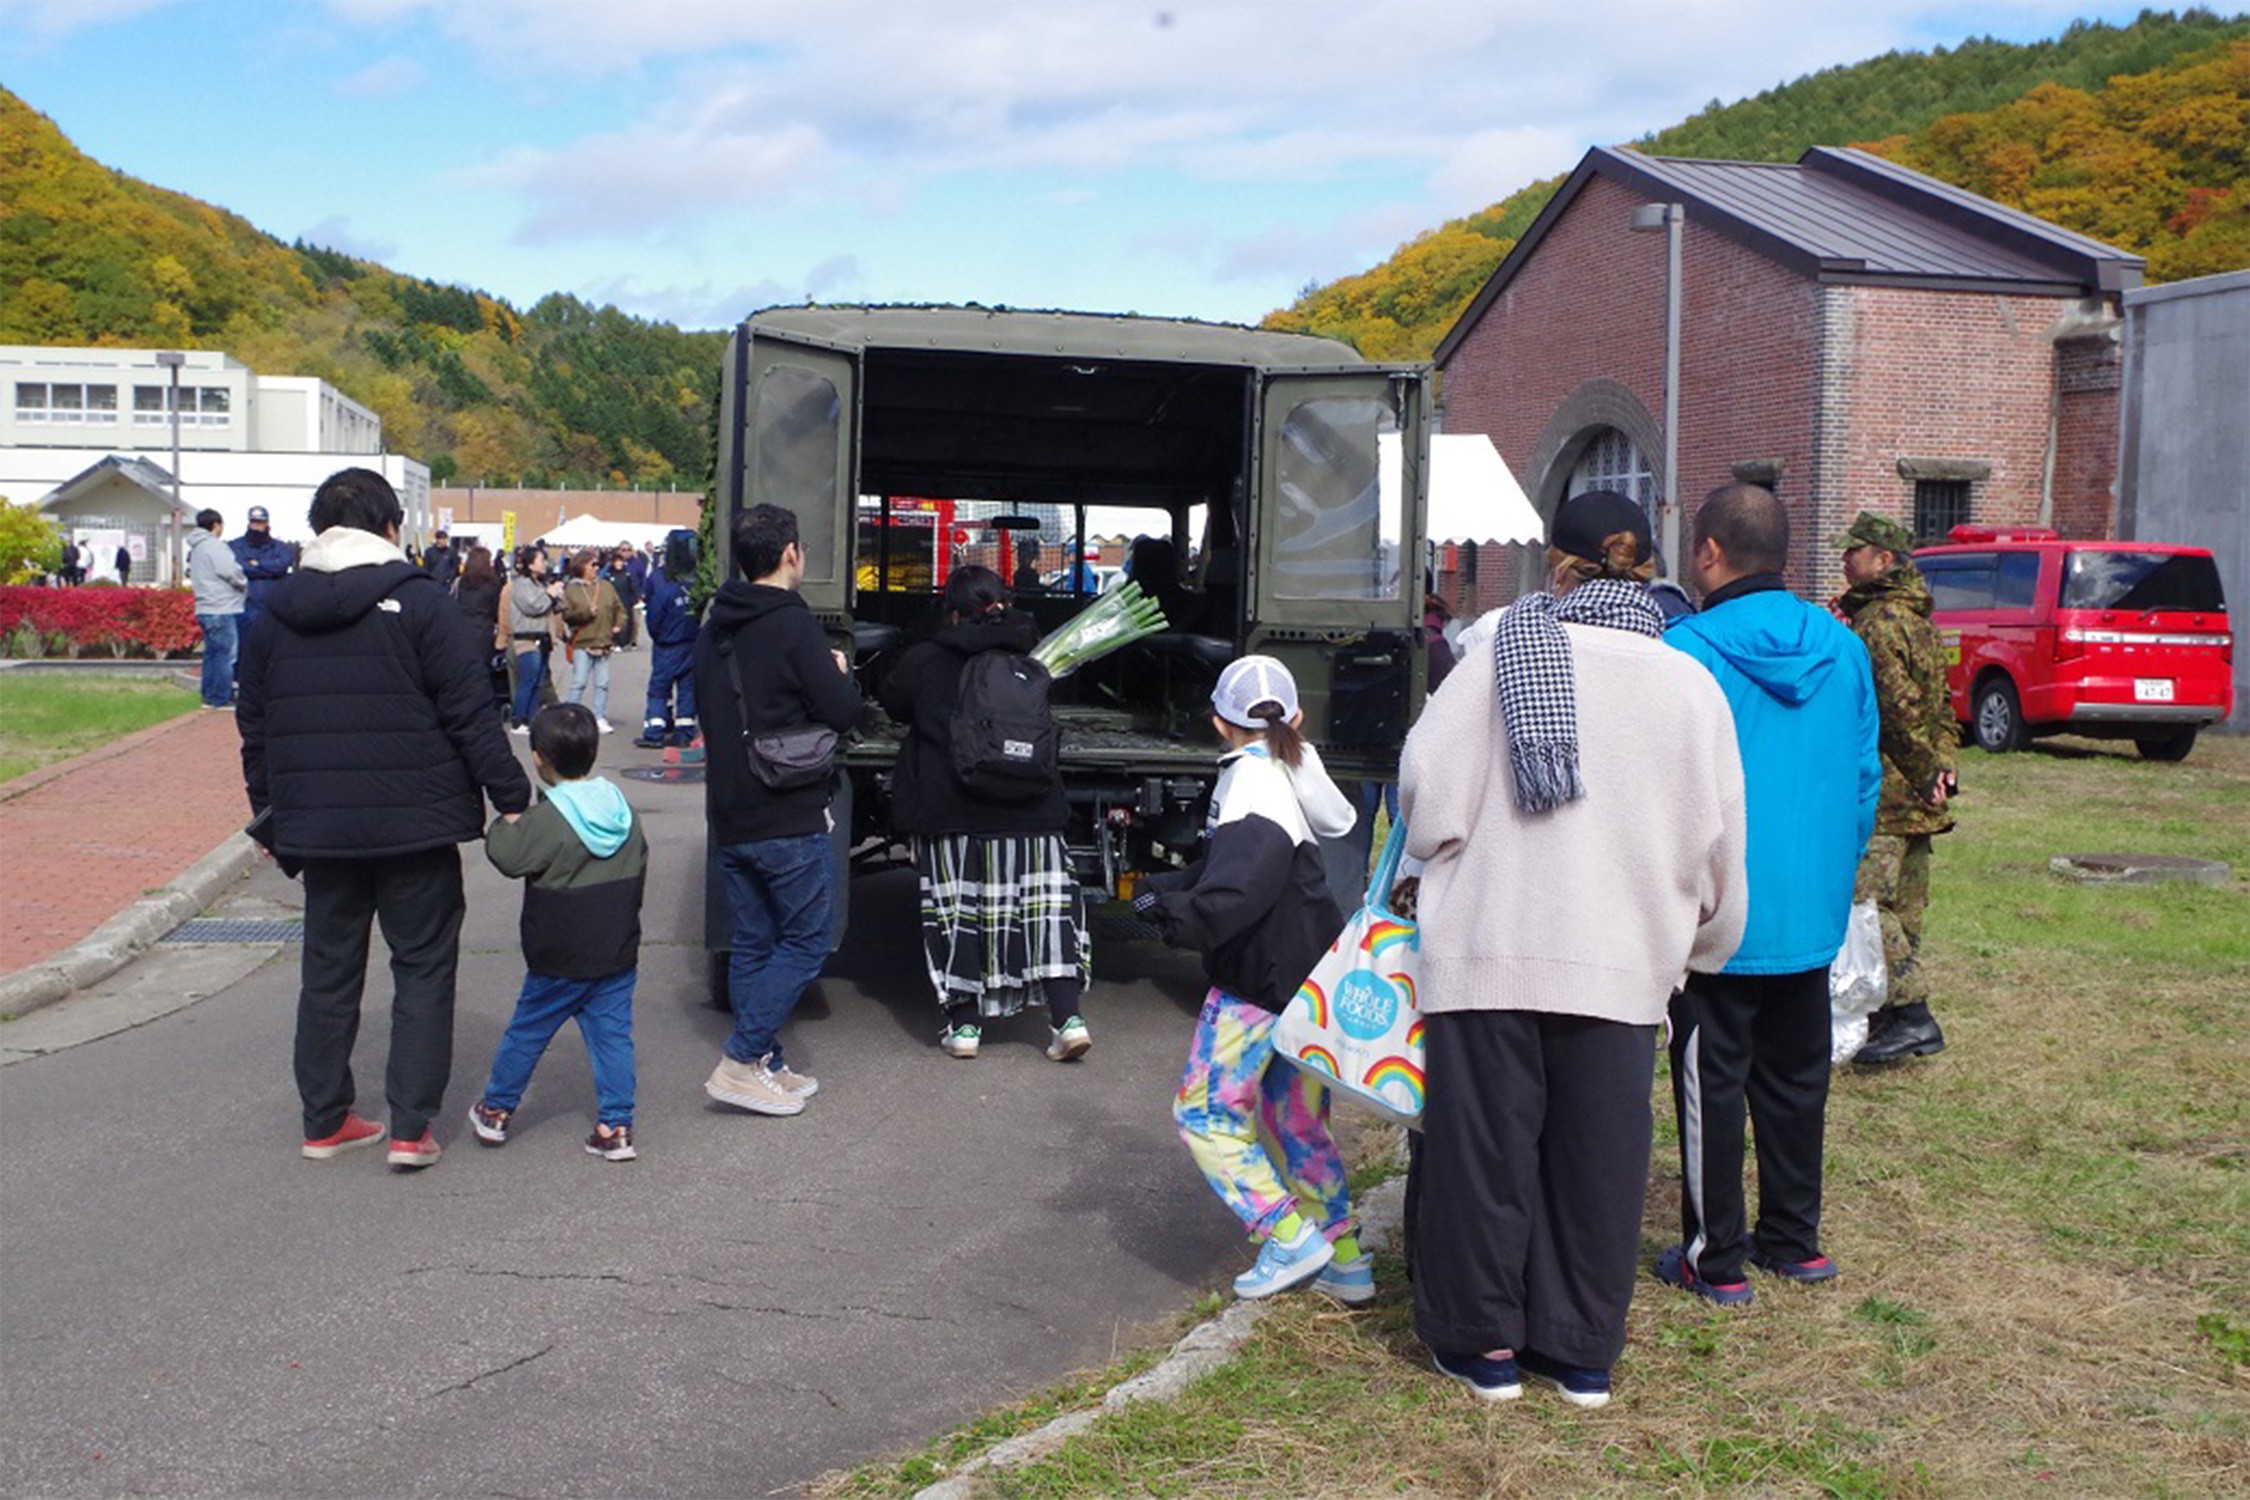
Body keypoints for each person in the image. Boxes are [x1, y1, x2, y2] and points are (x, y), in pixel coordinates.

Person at [1399, 489, 1746, 1408]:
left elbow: (1427, 801)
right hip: (1624, 959)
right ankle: (1580, 1352)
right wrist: (1699, 946)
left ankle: (1484, 1349)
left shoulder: (1497, 655)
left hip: (1491, 941)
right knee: (1597, 1163)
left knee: (1485, 1156)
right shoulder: (1690, 685)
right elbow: (1720, 851)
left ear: (1558, 563)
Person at [238, 467, 532, 1169]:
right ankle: (409, 1129)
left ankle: (324, 1119)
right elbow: (468, 710)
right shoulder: (421, 603)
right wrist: (513, 797)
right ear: (392, 528)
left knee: (329, 973)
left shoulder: (275, 612)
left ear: (317, 529)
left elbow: (255, 727)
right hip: (416, 825)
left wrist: (271, 818)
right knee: (423, 968)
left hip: (322, 831)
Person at [1654, 484, 1880, 1307]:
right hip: (1811, 909)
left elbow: (1666, 791)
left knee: (1710, 1081)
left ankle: (1716, 1259)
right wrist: (1832, 870)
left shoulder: (1685, 651)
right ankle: (1796, 1240)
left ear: (1710, 551)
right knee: (1796, 1079)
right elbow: (1864, 778)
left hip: (1721, 914)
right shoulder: (1844, 646)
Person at [1133, 655, 1368, 1302]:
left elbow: (1233, 891)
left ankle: (1288, 1237)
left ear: (1218, 723)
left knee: (1204, 1113)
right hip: (1307, 971)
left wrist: (1168, 914)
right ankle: (1345, 1259)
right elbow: (1328, 829)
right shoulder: (1292, 768)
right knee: (1295, 1117)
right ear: (1296, 717)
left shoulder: (1248, 786)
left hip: (1255, 982)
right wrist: (1168, 889)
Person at [878, 565, 1091, 1061]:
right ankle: (1068, 1020)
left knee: (959, 916)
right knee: (1045, 915)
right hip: (1031, 807)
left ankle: (966, 1028)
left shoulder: (927, 659)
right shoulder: (1036, 656)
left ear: (951, 611)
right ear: (1004, 604)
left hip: (952, 811)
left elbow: (893, 702)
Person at [694, 503, 866, 1117]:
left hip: (730, 808)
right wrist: (838, 672)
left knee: (754, 941)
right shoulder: (792, 626)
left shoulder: (714, 625)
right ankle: (740, 1060)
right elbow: (842, 713)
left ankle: (764, 1060)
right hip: (785, 810)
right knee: (807, 939)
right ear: (791, 553)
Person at [468, 703, 648, 1162]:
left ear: (539, 759)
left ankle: (496, 1111)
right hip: (615, 951)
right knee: (613, 1038)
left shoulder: (550, 819)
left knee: (527, 1032)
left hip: (559, 954)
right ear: (592, 751)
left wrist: (504, 822)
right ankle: (616, 1125)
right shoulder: (620, 808)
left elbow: (508, 857)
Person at [1834, 511, 1958, 1065]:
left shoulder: (1881, 622)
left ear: (1884, 560)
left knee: (1865, 902)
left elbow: (1898, 708)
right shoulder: (1920, 618)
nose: (1844, 561)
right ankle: (1888, 1016)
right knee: (1904, 910)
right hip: (1917, 791)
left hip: (1887, 791)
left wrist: (1925, 769)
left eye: (1853, 552)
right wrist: (1942, 766)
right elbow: (1945, 707)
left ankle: (1912, 1015)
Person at [635, 529, 701, 748]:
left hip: (667, 645)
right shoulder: (699, 583)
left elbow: (653, 619)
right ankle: (684, 732)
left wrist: (660, 637)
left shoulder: (662, 582)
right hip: (691, 644)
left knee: (659, 689)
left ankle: (655, 731)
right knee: (687, 689)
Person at [185, 507, 247, 710]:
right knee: (226, 655)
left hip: (204, 606)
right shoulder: (215, 546)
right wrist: (243, 583)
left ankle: (209, 695)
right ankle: (222, 696)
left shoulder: (196, 547)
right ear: (216, 525)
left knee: (211, 654)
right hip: (222, 607)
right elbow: (230, 571)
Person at [560, 549, 627, 731]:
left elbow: (620, 609)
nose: (596, 568)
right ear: (581, 566)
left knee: (602, 683)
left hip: (604, 640)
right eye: (592, 564)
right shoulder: (571, 589)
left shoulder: (606, 586)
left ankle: (599, 716)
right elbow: (567, 615)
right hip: (583, 642)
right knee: (579, 682)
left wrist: (619, 625)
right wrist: (586, 613)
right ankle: (569, 715)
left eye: (597, 564)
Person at [507, 545, 564, 734]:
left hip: (542, 639)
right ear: (530, 565)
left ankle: (531, 719)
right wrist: (549, 594)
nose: (545, 564)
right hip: (526, 639)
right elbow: (533, 606)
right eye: (541, 560)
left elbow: (558, 606)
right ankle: (518, 720)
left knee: (538, 681)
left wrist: (557, 593)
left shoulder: (540, 584)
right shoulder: (521, 584)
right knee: (528, 680)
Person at [453, 546, 509, 720]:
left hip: (461, 630)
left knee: (463, 672)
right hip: (483, 631)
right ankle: (482, 709)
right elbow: (495, 610)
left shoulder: (461, 582)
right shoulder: (492, 584)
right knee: (483, 672)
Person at [230, 504, 297, 646]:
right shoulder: (236, 545)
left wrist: (257, 563)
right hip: (245, 605)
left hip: (274, 606)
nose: (256, 526)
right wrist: (269, 569)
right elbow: (240, 567)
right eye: (253, 522)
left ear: (267, 524)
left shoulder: (279, 546)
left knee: (274, 647)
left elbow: (283, 565)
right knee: (245, 649)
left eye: (260, 523)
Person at [606, 546, 642, 650]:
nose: (618, 564)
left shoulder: (627, 574)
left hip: (626, 601)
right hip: (613, 602)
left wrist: (636, 598)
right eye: (616, 562)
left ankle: (625, 642)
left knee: (627, 621)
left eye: (620, 562)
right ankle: (615, 641)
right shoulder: (609, 574)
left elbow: (633, 586)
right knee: (613, 621)